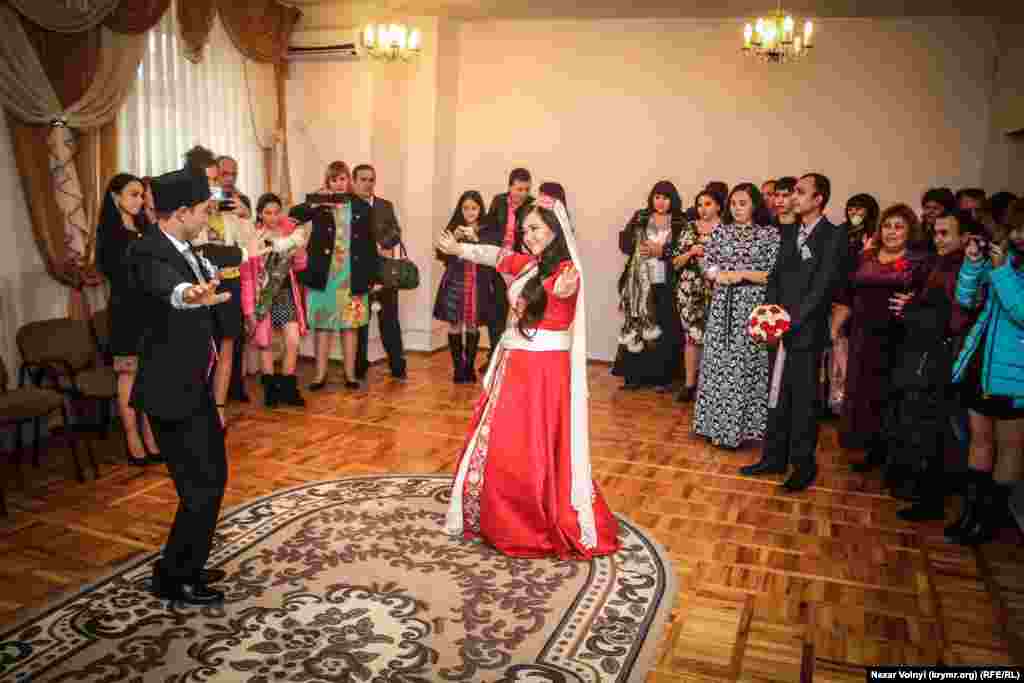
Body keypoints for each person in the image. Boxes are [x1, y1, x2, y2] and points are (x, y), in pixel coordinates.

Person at [437, 197, 620, 559]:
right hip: (517, 365)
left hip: (541, 374)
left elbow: (562, 293)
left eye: (535, 229)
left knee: (530, 443)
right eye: (525, 230)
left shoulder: (565, 270)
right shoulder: (532, 265)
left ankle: (528, 519)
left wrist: (563, 290)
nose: (528, 236)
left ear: (556, 230)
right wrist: (460, 248)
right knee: (508, 442)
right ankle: (502, 515)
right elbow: (497, 256)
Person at [130, 165, 266, 604]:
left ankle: (183, 564)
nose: (209, 218)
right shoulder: (148, 251)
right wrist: (190, 294)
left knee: (212, 479)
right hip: (169, 391)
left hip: (195, 387)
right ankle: (175, 578)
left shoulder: (186, 245)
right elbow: (169, 288)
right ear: (182, 211)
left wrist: (256, 251)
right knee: (199, 487)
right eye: (205, 210)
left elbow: (217, 261)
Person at [739, 174, 846, 492]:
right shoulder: (789, 232)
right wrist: (769, 316)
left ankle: (803, 465)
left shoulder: (832, 236)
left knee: (803, 401)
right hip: (779, 330)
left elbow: (823, 287)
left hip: (806, 333)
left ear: (818, 199)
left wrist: (790, 321)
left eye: (801, 193)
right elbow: (774, 277)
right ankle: (773, 457)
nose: (793, 198)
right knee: (776, 394)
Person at [945, 202, 1024, 545]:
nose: (1018, 235)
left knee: (1009, 450)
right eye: (1015, 228)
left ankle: (990, 521)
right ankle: (971, 514)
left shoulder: (1008, 266)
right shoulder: (1006, 261)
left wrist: (1001, 270)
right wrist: (974, 262)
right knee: (980, 442)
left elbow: (1021, 312)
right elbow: (965, 299)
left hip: (1015, 374)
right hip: (982, 367)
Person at [692, 183, 779, 450]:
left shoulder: (769, 234)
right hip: (722, 305)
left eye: (743, 203)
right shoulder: (721, 231)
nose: (737, 208)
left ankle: (742, 430)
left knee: (745, 366)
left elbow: (772, 273)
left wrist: (741, 274)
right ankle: (714, 427)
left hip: (752, 306)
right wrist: (717, 275)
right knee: (718, 364)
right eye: (733, 204)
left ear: (754, 205)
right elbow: (707, 264)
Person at [95, 173, 162, 465]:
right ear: (115, 197)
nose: (139, 200)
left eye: (141, 195)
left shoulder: (145, 227)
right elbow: (117, 273)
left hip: (150, 310)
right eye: (133, 194)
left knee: (149, 376)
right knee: (129, 377)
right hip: (126, 311)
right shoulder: (110, 233)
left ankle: (151, 435)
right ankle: (132, 436)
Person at [293, 161, 376, 390]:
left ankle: (350, 375)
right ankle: (320, 375)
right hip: (324, 276)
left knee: (350, 327)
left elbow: (370, 245)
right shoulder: (320, 205)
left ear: (348, 180)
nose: (339, 183)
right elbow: (294, 215)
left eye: (342, 179)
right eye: (334, 179)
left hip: (353, 276)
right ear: (327, 182)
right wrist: (316, 200)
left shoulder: (362, 207)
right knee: (323, 326)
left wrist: (372, 278)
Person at [612, 181, 685, 391]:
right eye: (657, 197)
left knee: (664, 328)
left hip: (667, 281)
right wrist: (639, 243)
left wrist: (662, 250)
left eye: (665, 197)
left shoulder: (681, 220)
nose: (660, 202)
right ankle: (633, 376)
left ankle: (662, 378)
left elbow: (682, 249)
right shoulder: (641, 216)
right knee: (636, 324)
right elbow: (624, 242)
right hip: (639, 280)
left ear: (673, 199)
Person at [241, 194, 310, 407]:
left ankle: (289, 388)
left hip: (286, 293)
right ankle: (271, 390)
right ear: (260, 214)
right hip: (263, 295)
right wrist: (249, 308)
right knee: (265, 343)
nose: (272, 217)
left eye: (276, 212)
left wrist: (298, 250)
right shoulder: (254, 236)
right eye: (267, 212)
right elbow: (247, 273)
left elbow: (300, 266)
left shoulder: (289, 233)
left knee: (293, 340)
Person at [433, 190, 500, 383]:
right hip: (455, 281)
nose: (470, 212)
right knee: (454, 323)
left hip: (477, 283)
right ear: (460, 209)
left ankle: (469, 367)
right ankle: (458, 368)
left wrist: (477, 238)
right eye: (465, 208)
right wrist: (451, 239)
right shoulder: (454, 227)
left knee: (472, 323)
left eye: (474, 208)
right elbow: (441, 256)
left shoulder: (487, 229)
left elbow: (493, 255)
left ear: (480, 209)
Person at [351, 164, 407, 380]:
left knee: (390, 321)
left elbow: (396, 232)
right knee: (359, 322)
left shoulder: (385, 205)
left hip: (384, 270)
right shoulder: (347, 206)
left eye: (371, 179)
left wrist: (381, 243)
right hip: (357, 273)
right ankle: (358, 369)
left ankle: (398, 367)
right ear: (354, 182)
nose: (368, 184)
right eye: (363, 179)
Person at [670, 189, 722, 401]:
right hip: (690, 290)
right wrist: (691, 252)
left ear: (718, 206)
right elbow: (675, 262)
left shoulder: (727, 229)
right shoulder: (689, 228)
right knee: (691, 338)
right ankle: (690, 384)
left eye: (708, 204)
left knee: (715, 339)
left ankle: (710, 387)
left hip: (717, 288)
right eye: (700, 204)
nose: (703, 209)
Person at [482, 168, 534, 372]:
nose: (522, 193)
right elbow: (489, 227)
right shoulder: (498, 201)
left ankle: (518, 361)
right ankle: (494, 357)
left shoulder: (532, 205)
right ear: (510, 186)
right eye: (519, 188)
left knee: (521, 312)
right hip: (499, 263)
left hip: (521, 265)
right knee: (496, 312)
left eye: (526, 189)